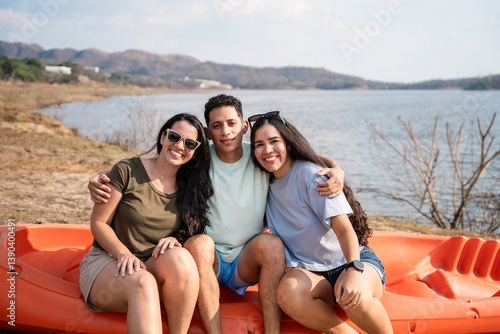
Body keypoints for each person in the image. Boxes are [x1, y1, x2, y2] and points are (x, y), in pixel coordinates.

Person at [88, 94, 345, 334]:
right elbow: (159, 172)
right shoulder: (198, 160)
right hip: (209, 260)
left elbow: (293, 155)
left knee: (272, 243)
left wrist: (336, 169)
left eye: (232, 123)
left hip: (245, 260)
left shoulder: (259, 155)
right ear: (208, 133)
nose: (226, 132)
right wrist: (100, 180)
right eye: (217, 126)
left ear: (244, 126)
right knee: (200, 243)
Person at [249, 111, 392, 334]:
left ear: (287, 142)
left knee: (355, 298)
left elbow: (344, 229)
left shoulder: (311, 175)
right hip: (313, 273)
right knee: (287, 293)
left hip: (352, 260)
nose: (267, 150)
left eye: (274, 141)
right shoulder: (262, 183)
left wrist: (353, 270)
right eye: (259, 144)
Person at [80, 113, 213, 334]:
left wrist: (175, 238)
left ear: (195, 151)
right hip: (109, 260)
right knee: (143, 283)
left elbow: (192, 229)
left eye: (189, 143)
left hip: (150, 265)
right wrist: (124, 254)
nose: (180, 146)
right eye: (174, 136)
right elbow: (99, 223)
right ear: (163, 137)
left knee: (182, 259)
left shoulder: (191, 186)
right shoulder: (127, 170)